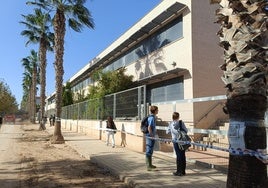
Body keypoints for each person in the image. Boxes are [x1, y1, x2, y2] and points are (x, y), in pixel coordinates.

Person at [166, 112, 188, 176]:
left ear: (172, 117)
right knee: (183, 155)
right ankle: (183, 171)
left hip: (175, 141)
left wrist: (172, 132)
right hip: (182, 141)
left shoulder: (171, 123)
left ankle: (179, 171)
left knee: (178, 156)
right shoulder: (181, 122)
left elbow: (167, 132)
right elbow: (186, 130)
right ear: (178, 116)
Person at [145, 105, 158, 171]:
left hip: (150, 135)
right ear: (155, 111)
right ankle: (148, 166)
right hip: (150, 136)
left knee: (150, 149)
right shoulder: (152, 118)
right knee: (149, 150)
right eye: (157, 110)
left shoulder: (152, 117)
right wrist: (152, 135)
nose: (158, 111)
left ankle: (150, 164)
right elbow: (149, 127)